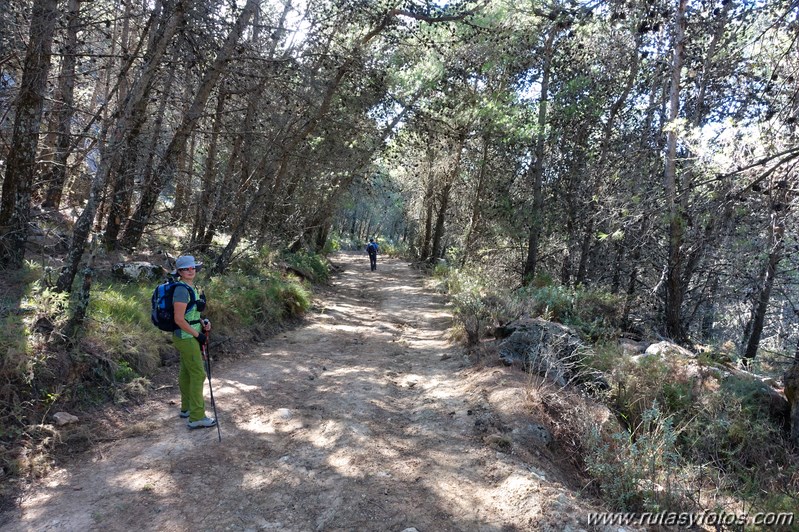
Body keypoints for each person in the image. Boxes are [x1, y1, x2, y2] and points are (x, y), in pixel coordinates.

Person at [171, 255, 216, 429]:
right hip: (186, 337)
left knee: (187, 372)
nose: (190, 271)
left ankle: (187, 408)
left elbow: (190, 315)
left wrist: (202, 322)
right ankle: (197, 416)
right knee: (198, 374)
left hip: (188, 334)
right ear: (179, 272)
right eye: (186, 269)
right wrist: (198, 335)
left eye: (193, 268)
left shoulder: (190, 287)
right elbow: (179, 319)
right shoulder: (181, 290)